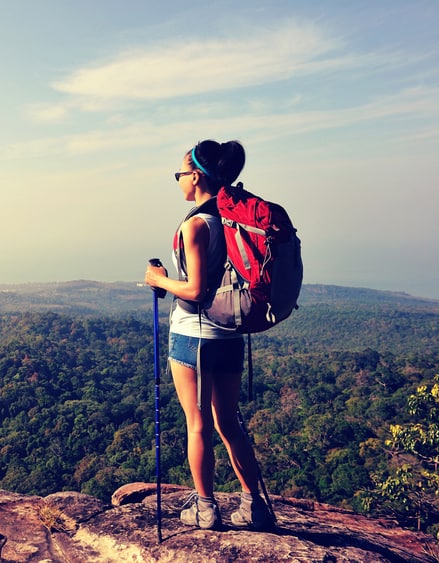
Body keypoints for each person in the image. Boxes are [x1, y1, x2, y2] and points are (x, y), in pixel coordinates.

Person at [144, 140, 274, 531]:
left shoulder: (195, 224)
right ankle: (254, 505)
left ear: (196, 176)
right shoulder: (231, 220)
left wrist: (158, 279)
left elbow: (198, 290)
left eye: (180, 174)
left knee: (197, 424)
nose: (179, 180)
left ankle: (205, 507)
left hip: (194, 336)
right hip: (230, 336)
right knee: (228, 423)